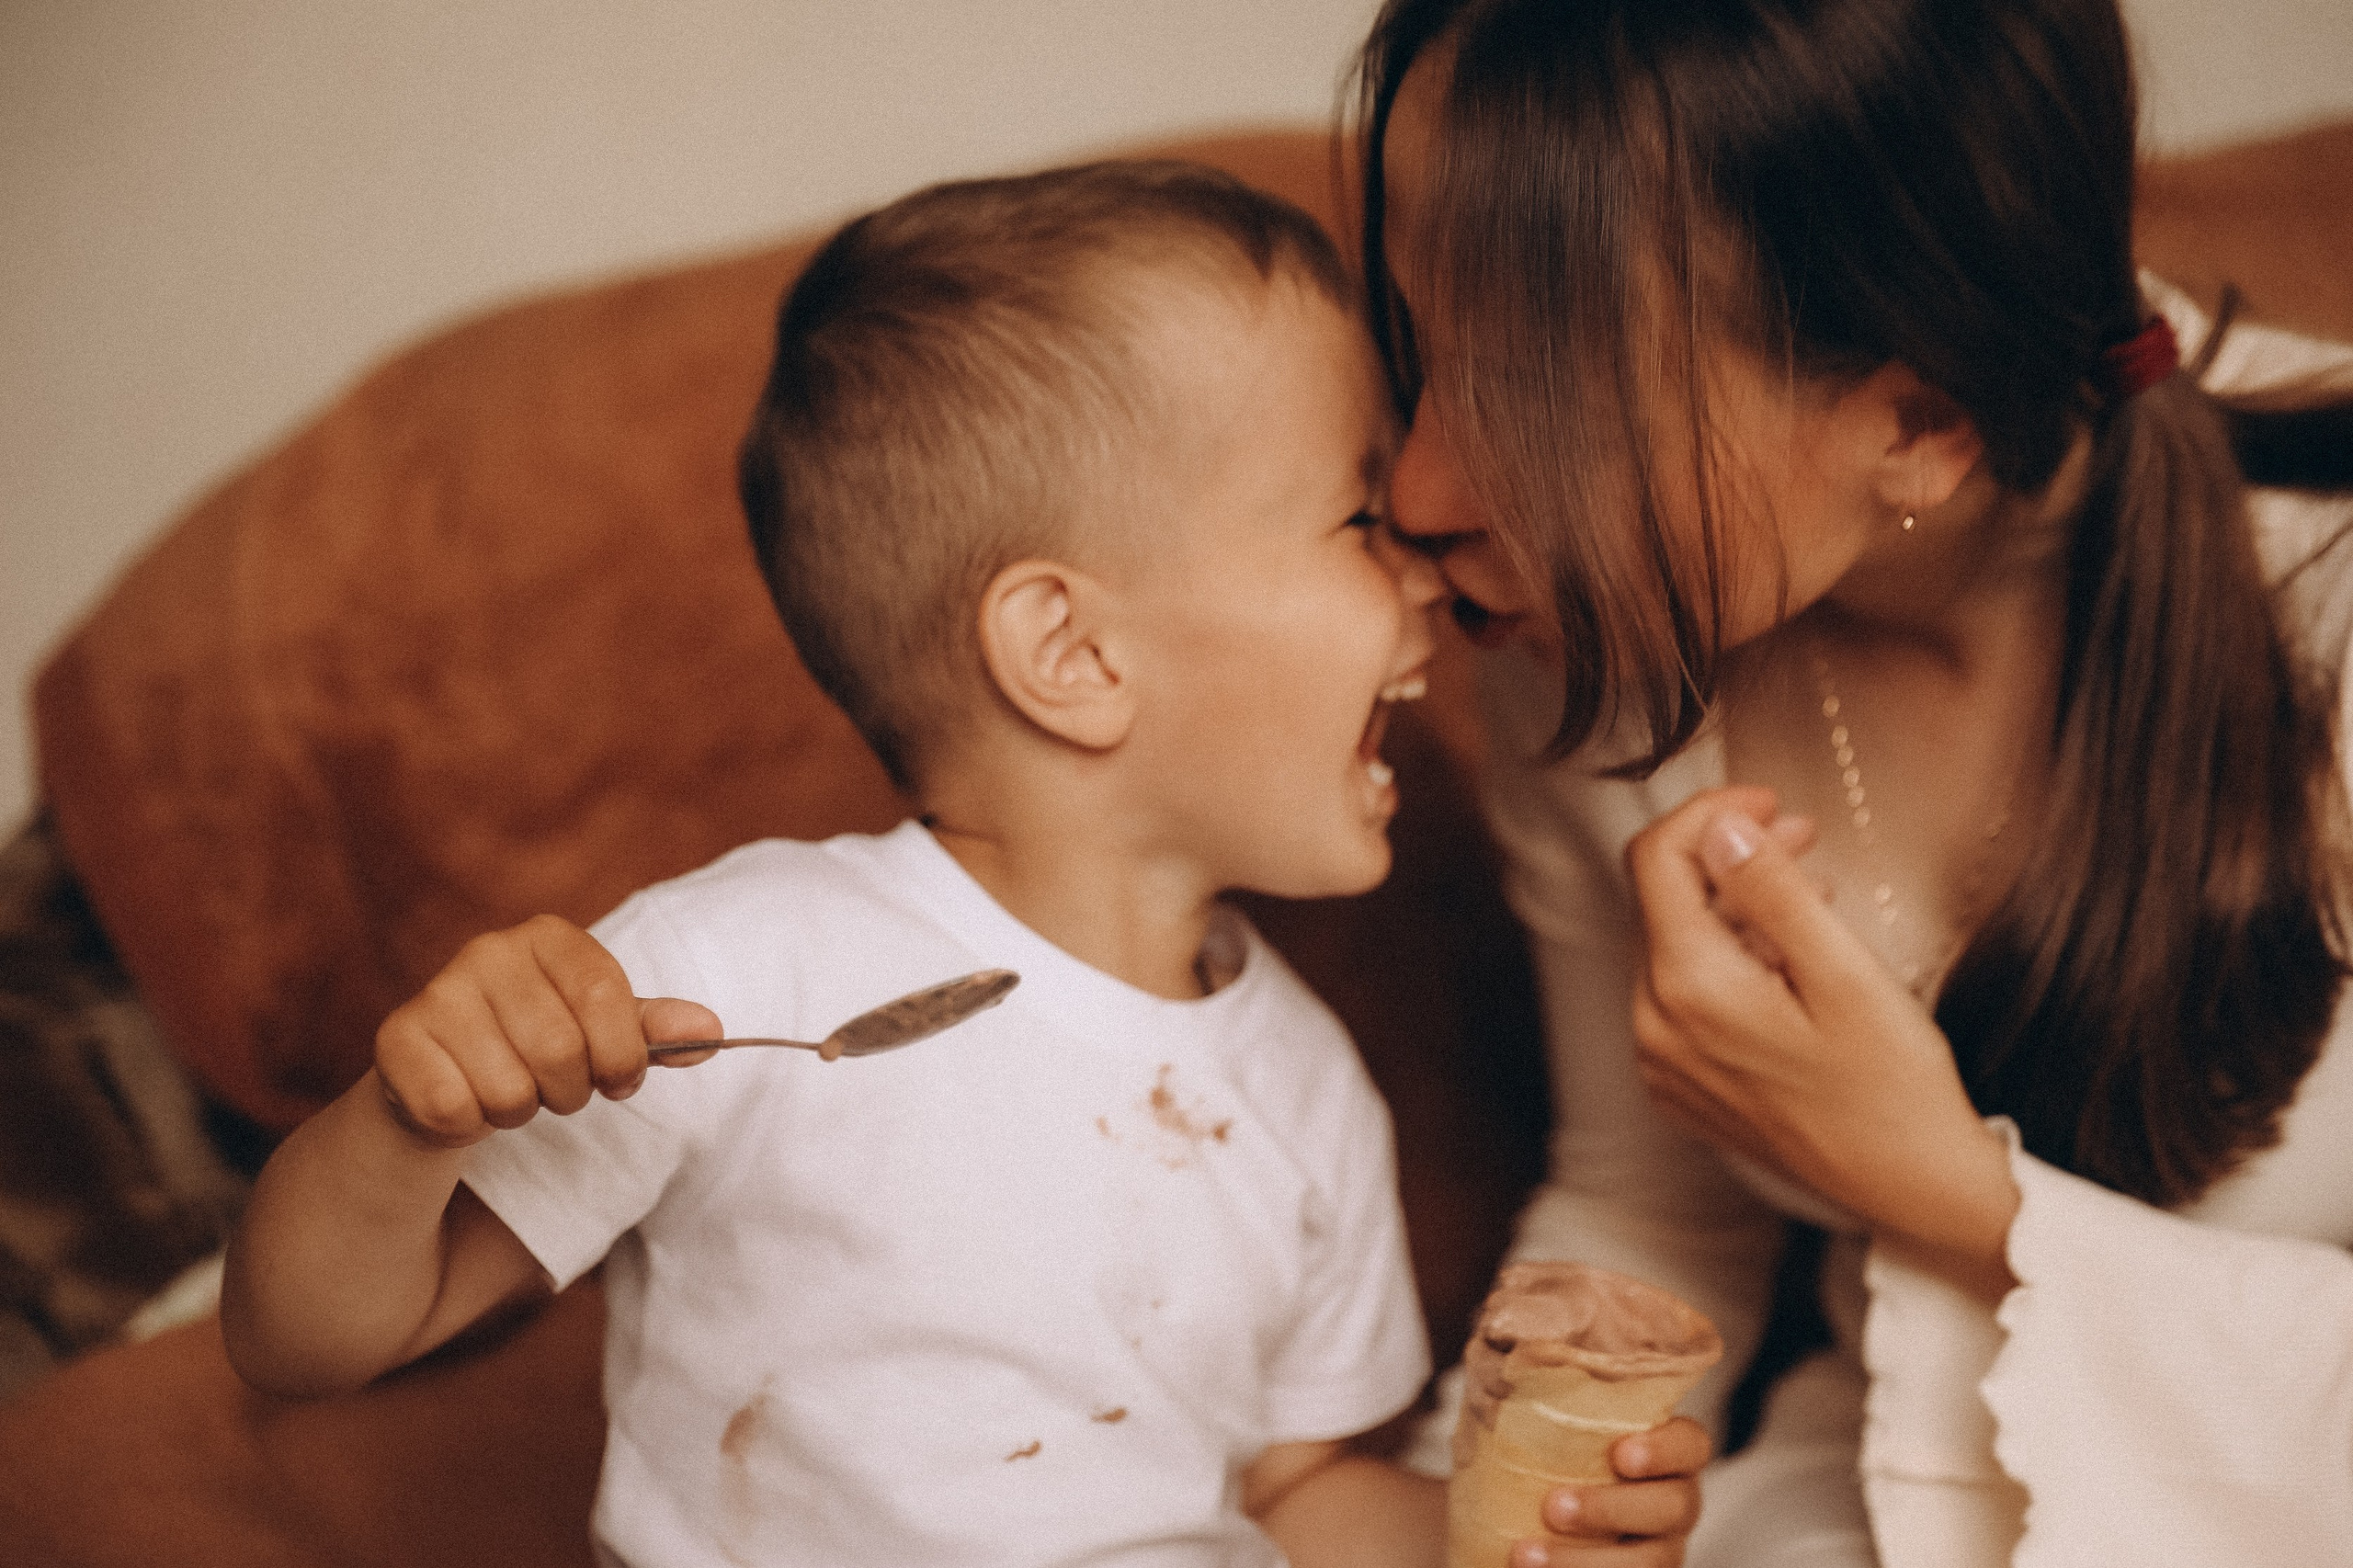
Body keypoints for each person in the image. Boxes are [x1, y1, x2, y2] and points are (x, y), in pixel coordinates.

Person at [221, 160, 1472, 1568]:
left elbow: (1296, 1498)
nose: (1429, 566)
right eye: (1361, 517)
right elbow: (304, 1338)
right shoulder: (733, 975)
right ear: (1075, 654)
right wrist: (406, 1124)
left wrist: (1505, 1535)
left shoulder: (1309, 1093)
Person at [1354, 0, 2353, 1564]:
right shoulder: (1584, 637)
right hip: (1866, 1488)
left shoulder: (2330, 610)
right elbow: (1654, 1213)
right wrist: (1459, 1511)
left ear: (1920, 423)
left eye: (1541, 396)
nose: (1418, 487)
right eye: (1418, 342)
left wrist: (1949, 1189)